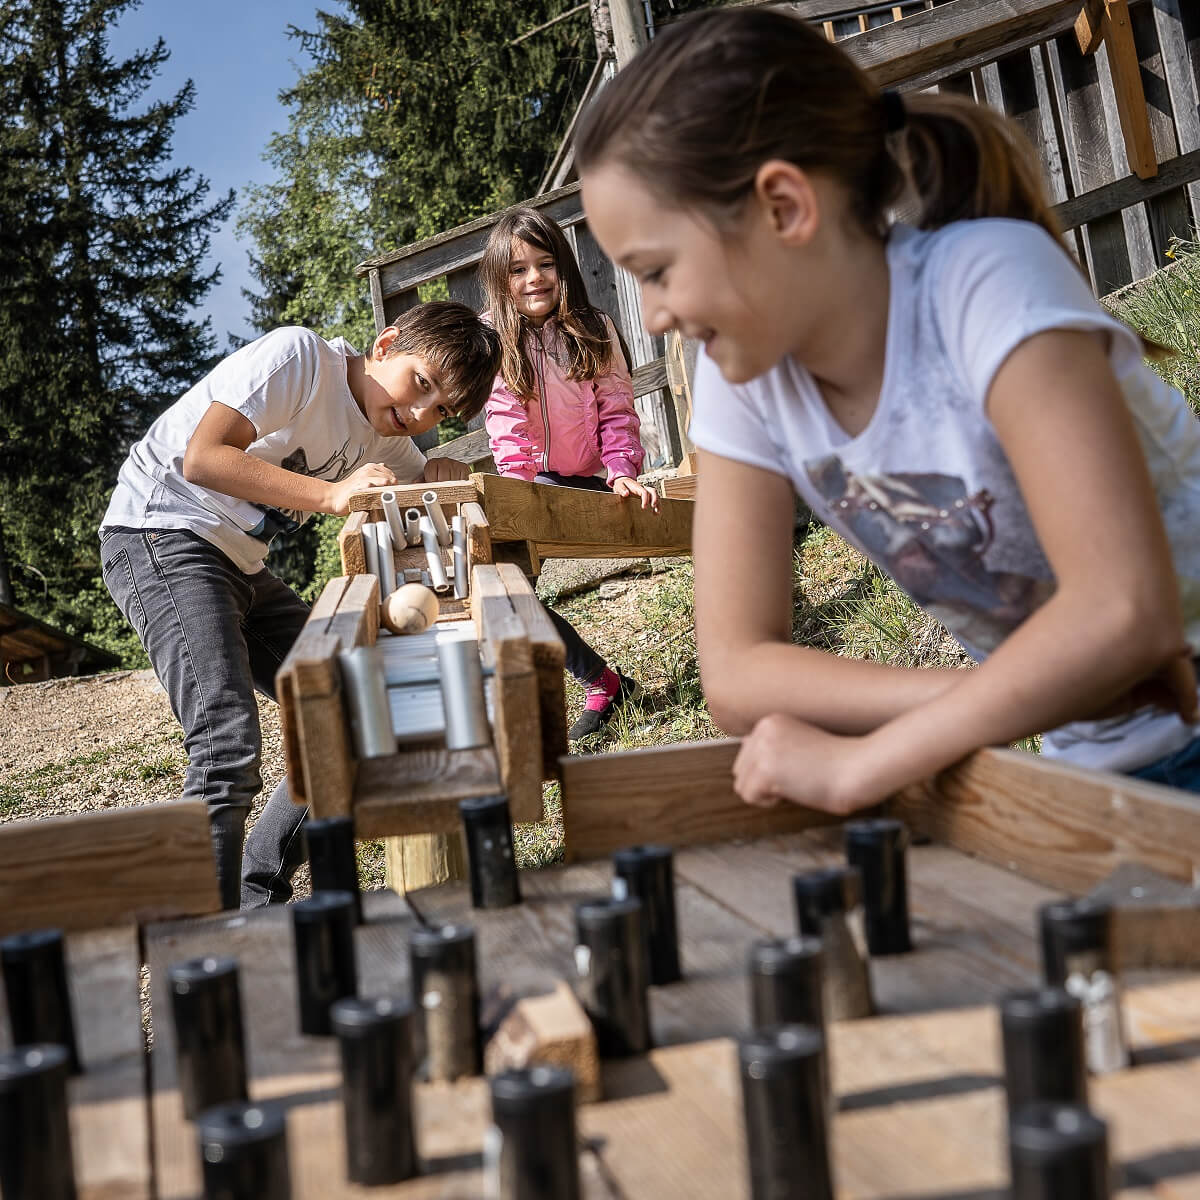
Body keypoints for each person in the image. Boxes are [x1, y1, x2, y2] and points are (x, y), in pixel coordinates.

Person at [575, 7, 1200, 811]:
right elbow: (736, 674)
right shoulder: (744, 377)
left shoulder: (985, 283)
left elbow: (1120, 609)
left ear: (784, 208)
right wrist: (1039, 693)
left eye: (656, 270)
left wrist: (862, 764)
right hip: (1101, 759)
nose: (653, 316)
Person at [98, 302, 501, 908]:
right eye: (422, 384)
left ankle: (257, 896)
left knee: (353, 706)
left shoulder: (389, 442)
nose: (420, 414)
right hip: (160, 533)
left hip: (238, 563)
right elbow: (203, 458)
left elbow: (422, 497)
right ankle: (205, 949)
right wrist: (331, 495)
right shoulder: (300, 359)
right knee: (225, 744)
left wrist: (442, 472)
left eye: (441, 410)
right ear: (386, 344)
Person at [480, 206, 659, 740]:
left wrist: (621, 470)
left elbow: (617, 410)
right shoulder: (494, 338)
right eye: (517, 269)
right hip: (535, 483)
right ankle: (601, 681)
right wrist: (516, 491)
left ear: (564, 267)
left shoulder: (594, 327)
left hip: (597, 478)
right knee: (510, 591)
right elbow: (506, 423)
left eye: (545, 263)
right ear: (500, 279)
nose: (534, 278)